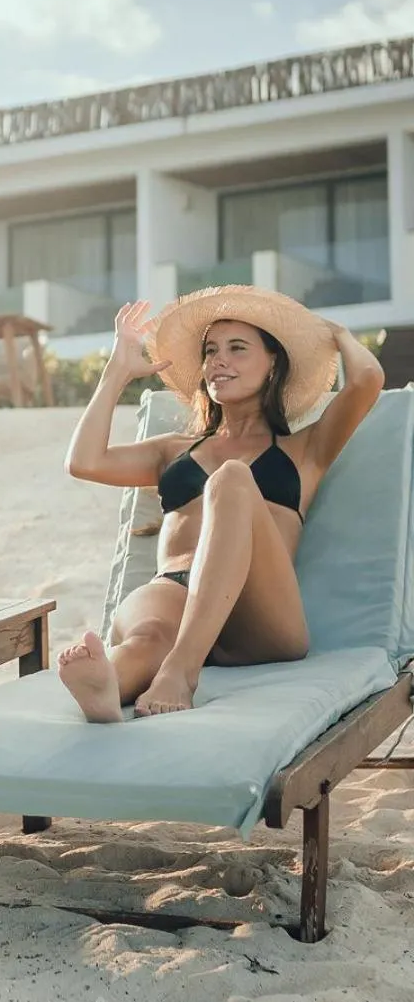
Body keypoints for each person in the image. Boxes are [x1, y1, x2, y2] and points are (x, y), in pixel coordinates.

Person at [56, 285, 385, 723]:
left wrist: (335, 333)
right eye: (211, 350)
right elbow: (83, 462)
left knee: (231, 479)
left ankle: (181, 671)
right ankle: (108, 685)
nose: (218, 360)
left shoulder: (305, 450)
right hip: (176, 591)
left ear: (273, 364)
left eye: (237, 348)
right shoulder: (172, 450)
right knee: (147, 637)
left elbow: (367, 380)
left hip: (259, 614)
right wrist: (117, 371)